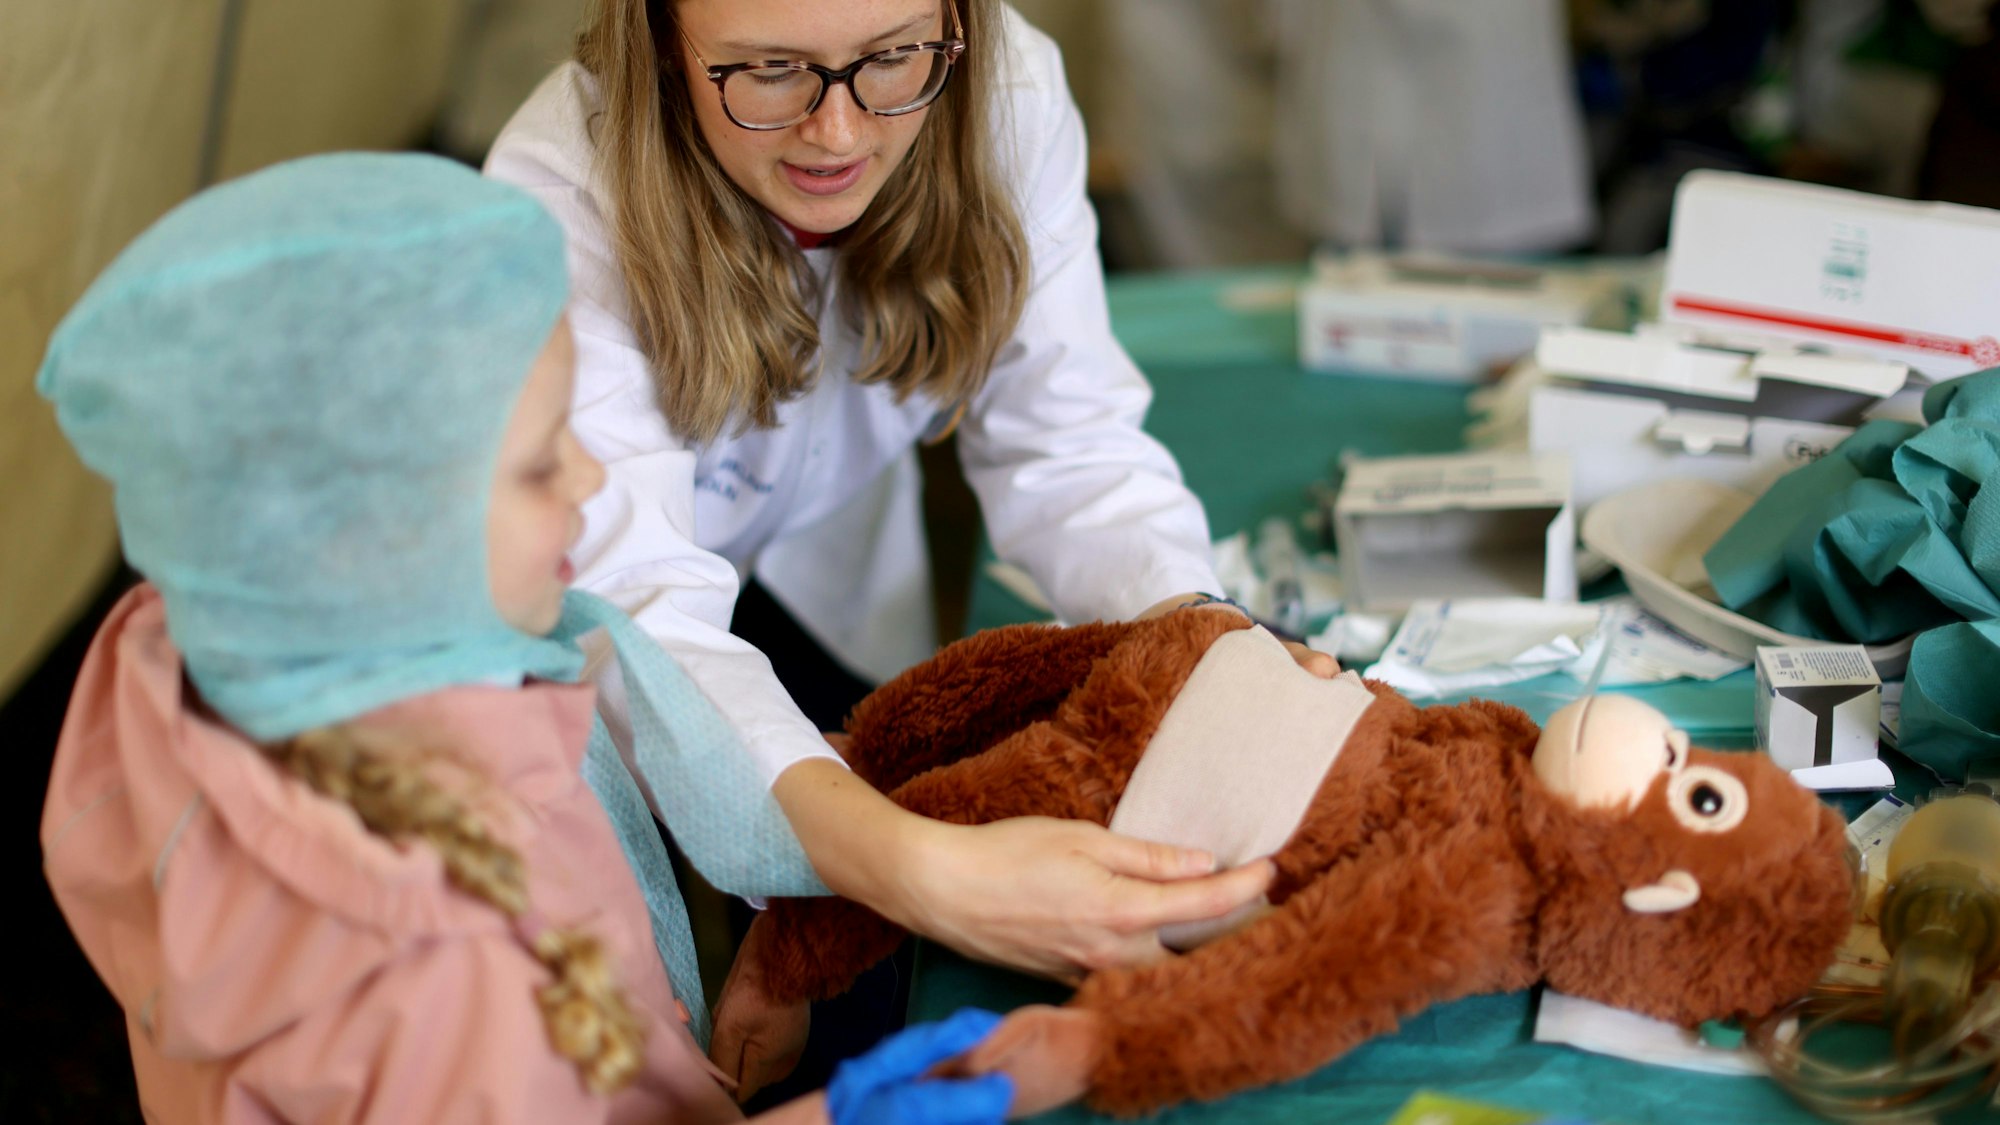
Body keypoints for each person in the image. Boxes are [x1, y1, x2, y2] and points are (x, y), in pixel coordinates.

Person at [37, 152, 1023, 1124]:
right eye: (538, 463)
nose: (591, 480)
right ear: (374, 536)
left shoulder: (203, 653)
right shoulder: (454, 992)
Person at [482, 0, 1312, 1026]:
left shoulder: (1003, 93)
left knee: (856, 962)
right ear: (659, 36)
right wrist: (928, 875)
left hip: (823, 566)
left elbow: (1070, 445)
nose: (836, 132)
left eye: (891, 57)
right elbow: (636, 615)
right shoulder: (561, 194)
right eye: (769, 70)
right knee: (653, 984)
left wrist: (1199, 634)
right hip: (597, 628)